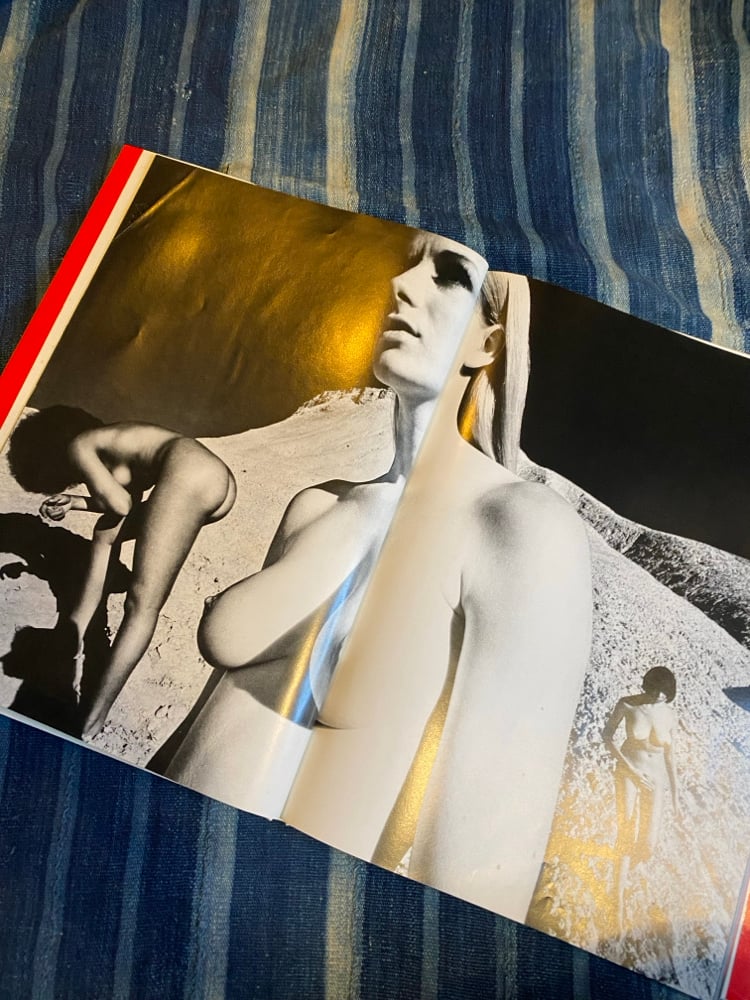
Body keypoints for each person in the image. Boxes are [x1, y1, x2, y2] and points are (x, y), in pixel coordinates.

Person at [160, 237, 592, 921]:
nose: (401, 285)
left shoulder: (520, 528)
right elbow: (205, 727)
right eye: (406, 263)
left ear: (489, 342)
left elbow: (473, 887)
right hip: (149, 872)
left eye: (448, 275)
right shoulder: (319, 505)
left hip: (273, 922)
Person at [7, 408, 236, 738]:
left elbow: (120, 505)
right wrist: (73, 501)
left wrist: (77, 502)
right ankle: (72, 633)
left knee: (141, 605)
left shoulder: (80, 445)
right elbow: (118, 508)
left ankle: (92, 719)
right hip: (210, 476)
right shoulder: (115, 443)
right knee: (105, 535)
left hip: (189, 475)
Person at [603, 666, 679, 931]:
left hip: (655, 779)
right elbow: (607, 736)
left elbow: (670, 756)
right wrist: (632, 771)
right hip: (628, 772)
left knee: (648, 845)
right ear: (648, 685)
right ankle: (617, 904)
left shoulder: (670, 714)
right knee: (626, 833)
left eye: (664, 692)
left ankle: (620, 867)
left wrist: (676, 796)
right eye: (655, 690)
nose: (659, 696)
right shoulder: (627, 704)